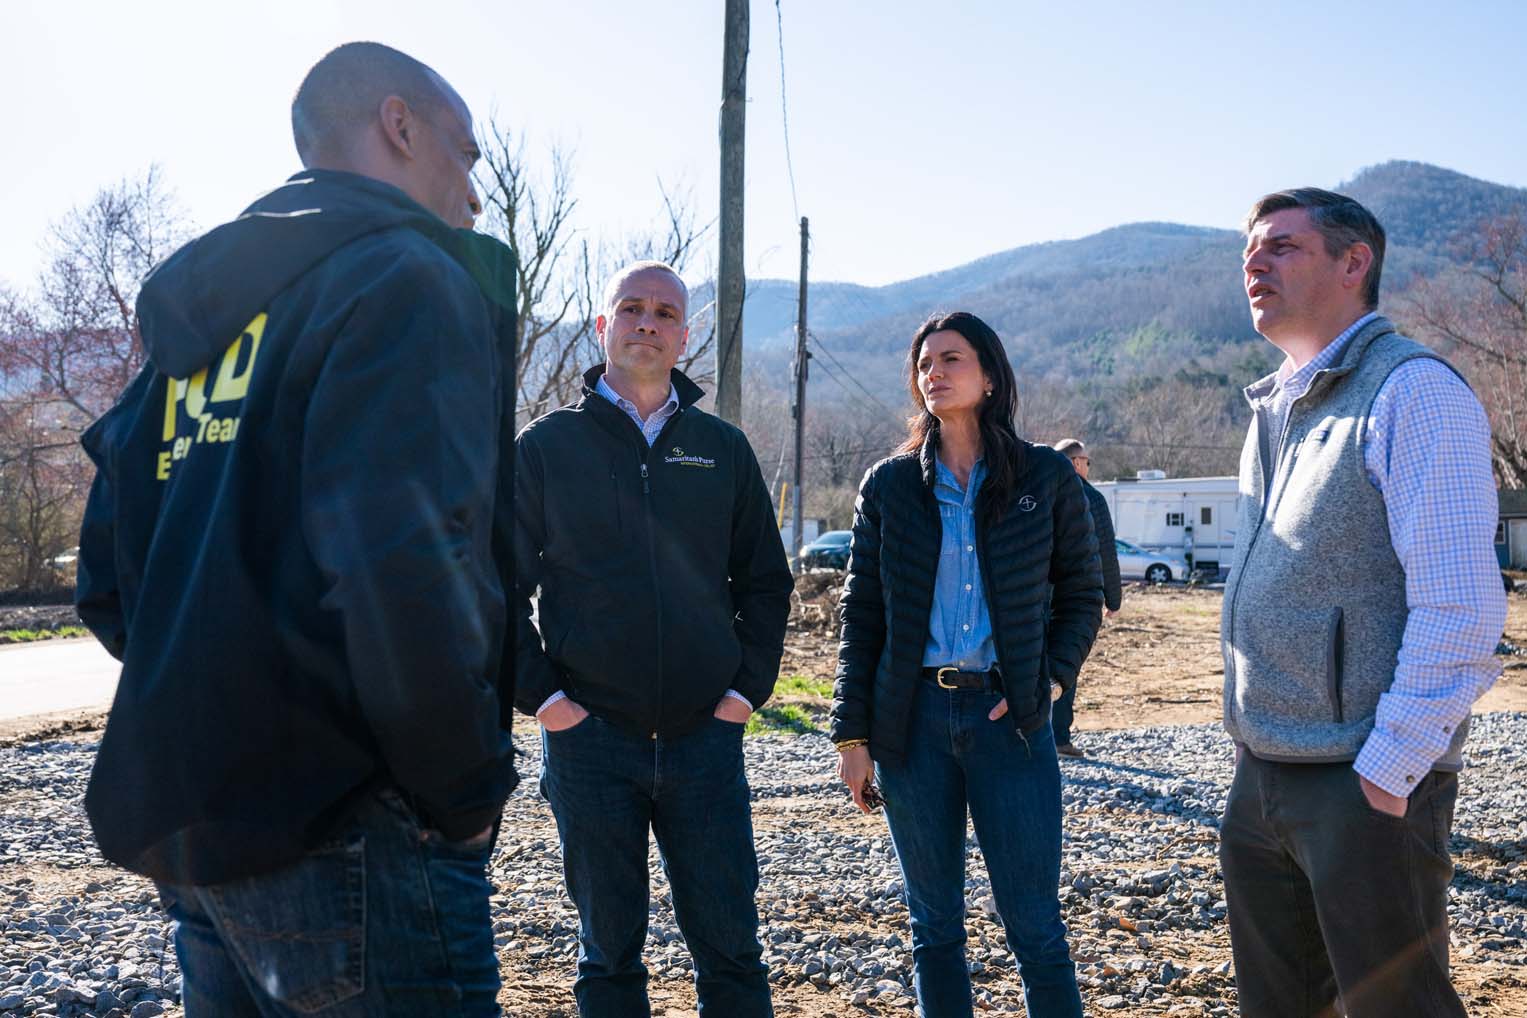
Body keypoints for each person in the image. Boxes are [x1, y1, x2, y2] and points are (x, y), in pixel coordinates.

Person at [74, 42, 520, 1015]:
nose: (477, 193)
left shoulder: (207, 322)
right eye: (468, 151)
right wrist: (464, 790)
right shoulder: (405, 277)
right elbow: (404, 563)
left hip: (202, 840)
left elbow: (109, 578)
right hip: (353, 829)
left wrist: (227, 701)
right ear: (398, 126)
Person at [1220, 187, 1507, 1017]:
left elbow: (1461, 606)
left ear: (1354, 263)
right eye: (1250, 250)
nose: (1255, 262)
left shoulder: (1412, 391)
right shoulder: (1273, 407)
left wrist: (1386, 774)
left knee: (1397, 1010)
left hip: (1362, 782)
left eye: (1282, 246)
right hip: (1263, 771)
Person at [514, 260, 793, 1018]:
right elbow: (491, 589)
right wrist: (545, 701)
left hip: (705, 738)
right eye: (631, 309)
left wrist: (743, 694)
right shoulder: (545, 448)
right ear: (602, 327)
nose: (647, 322)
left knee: (732, 949)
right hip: (589, 742)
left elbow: (766, 583)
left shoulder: (720, 449)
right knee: (607, 955)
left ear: (684, 337)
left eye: (665, 313)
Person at [832, 311, 1103, 1018]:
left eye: (951, 359)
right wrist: (851, 737)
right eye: (924, 364)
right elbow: (861, 618)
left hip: (1006, 720)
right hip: (911, 722)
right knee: (934, 929)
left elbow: (1082, 591)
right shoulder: (889, 486)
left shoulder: (1042, 475)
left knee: (1035, 927)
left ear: (988, 376)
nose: (935, 373)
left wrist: (1044, 680)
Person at [1051, 438, 1122, 758]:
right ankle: (1059, 738)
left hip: (1035, 597)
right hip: (1076, 596)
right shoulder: (1091, 497)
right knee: (1065, 664)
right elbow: (1105, 549)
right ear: (1077, 462)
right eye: (1087, 461)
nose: (1088, 467)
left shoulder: (1038, 489)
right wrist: (1114, 598)